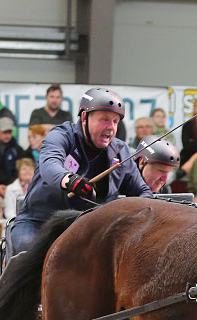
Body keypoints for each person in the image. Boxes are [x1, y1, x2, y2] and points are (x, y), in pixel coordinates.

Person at [11, 88, 151, 256]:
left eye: (115, 121)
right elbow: (49, 164)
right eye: (105, 120)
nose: (111, 128)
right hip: (39, 222)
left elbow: (143, 191)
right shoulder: (61, 136)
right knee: (27, 255)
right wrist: (71, 181)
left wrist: (137, 214)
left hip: (91, 230)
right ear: (84, 117)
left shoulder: (121, 151)